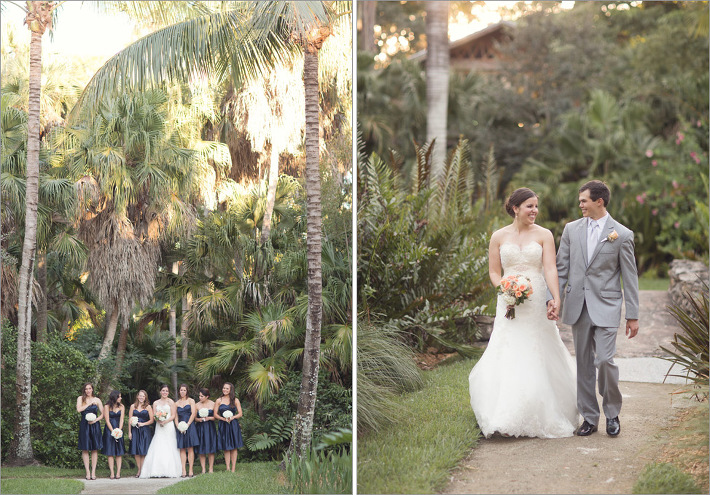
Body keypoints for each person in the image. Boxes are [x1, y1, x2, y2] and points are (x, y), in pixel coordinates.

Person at [469, 188, 579, 438]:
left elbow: (550, 268)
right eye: (529, 206)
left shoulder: (545, 235)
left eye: (536, 206)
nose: (535, 211)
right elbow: (494, 272)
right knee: (507, 347)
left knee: (537, 348)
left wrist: (556, 297)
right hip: (508, 301)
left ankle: (544, 410)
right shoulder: (498, 236)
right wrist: (505, 289)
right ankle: (503, 412)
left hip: (536, 297)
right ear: (515, 208)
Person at [554, 180, 639, 437]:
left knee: (604, 360)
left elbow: (630, 277)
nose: (580, 205)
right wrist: (554, 301)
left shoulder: (622, 235)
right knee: (583, 363)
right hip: (577, 305)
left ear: (599, 202)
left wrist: (632, 315)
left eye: (584, 201)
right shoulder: (571, 230)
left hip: (608, 306)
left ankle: (612, 412)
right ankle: (589, 417)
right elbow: (561, 269)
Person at [139, 384, 182, 478]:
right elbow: (154, 415)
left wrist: (165, 421)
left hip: (168, 425)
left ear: (168, 392)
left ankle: (170, 470)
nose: (165, 392)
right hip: (159, 426)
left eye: (166, 391)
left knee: (169, 445)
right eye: (163, 390)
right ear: (160, 392)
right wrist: (159, 420)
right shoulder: (155, 403)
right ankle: (156, 470)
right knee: (158, 444)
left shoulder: (171, 402)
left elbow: (173, 415)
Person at [77, 382, 104, 480]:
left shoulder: (97, 400)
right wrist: (88, 403)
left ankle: (93, 472)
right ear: (84, 390)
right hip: (84, 425)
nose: (88, 390)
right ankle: (87, 472)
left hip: (94, 425)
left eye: (89, 388)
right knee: (85, 448)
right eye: (86, 389)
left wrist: (95, 420)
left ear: (92, 389)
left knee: (94, 448)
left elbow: (103, 414)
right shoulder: (80, 398)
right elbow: (79, 410)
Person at [214, 382, 243, 472]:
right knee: (226, 447)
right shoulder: (219, 400)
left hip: (233, 424)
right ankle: (227, 468)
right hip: (223, 424)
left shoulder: (235, 400)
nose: (225, 390)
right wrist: (222, 419)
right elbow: (215, 414)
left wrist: (233, 417)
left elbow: (240, 413)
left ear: (231, 390)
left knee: (234, 446)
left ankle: (233, 468)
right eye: (224, 388)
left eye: (227, 388)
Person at [175, 383, 199, 478]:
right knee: (182, 448)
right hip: (180, 427)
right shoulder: (176, 403)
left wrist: (187, 425)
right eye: (181, 390)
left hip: (190, 425)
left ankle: (191, 470)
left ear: (187, 391)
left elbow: (193, 413)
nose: (183, 392)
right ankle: (183, 470)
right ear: (179, 391)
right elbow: (175, 417)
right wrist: (179, 427)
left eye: (184, 390)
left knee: (190, 448)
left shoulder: (191, 401)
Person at [128, 389, 154, 478]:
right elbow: (130, 419)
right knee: (136, 451)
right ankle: (139, 469)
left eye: (143, 396)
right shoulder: (132, 406)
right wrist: (129, 432)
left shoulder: (148, 407)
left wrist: (143, 424)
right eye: (140, 395)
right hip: (135, 430)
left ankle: (142, 470)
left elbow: (152, 420)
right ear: (137, 396)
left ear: (145, 397)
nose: (141, 397)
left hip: (144, 430)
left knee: (143, 451)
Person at [101, 390, 126, 479]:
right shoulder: (107, 406)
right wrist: (113, 431)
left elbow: (122, 419)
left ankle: (118, 472)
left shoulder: (122, 406)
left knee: (119, 452)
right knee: (110, 452)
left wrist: (119, 431)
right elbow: (107, 420)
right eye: (119, 396)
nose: (120, 398)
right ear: (114, 397)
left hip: (119, 428)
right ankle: (112, 472)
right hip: (109, 430)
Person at [194, 387, 217, 474]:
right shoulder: (197, 405)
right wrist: (199, 420)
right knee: (201, 448)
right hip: (200, 427)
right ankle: (203, 468)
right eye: (199, 396)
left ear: (207, 396)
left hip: (210, 426)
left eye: (202, 396)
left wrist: (209, 418)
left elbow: (216, 417)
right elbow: (195, 418)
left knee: (211, 447)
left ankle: (211, 468)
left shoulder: (213, 404)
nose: (200, 398)